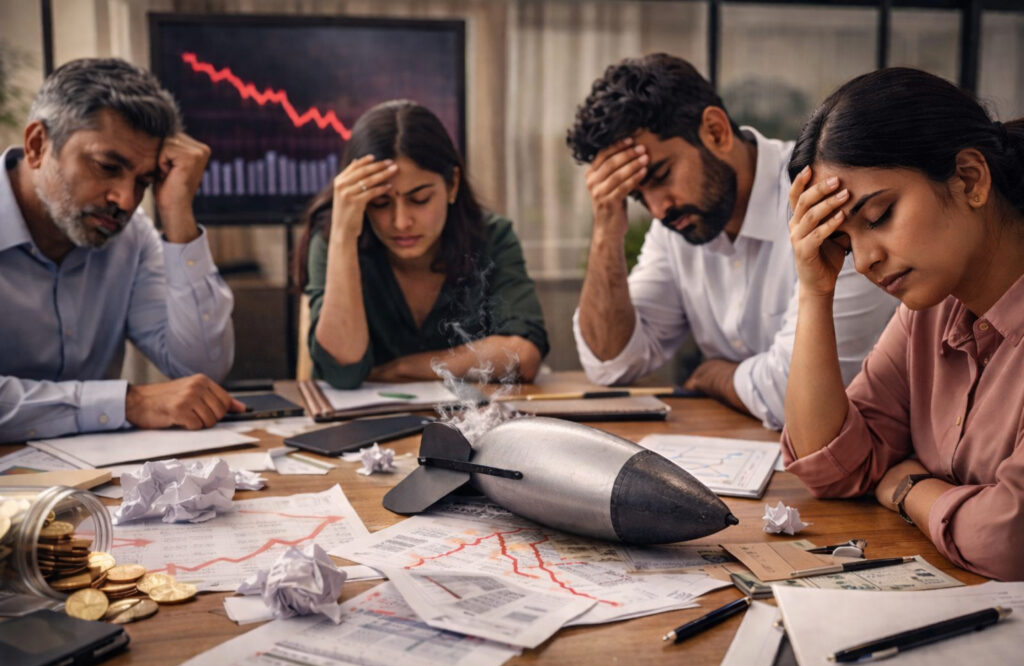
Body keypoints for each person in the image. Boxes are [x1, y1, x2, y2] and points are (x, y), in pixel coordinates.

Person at [566, 53, 897, 429]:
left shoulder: (822, 196)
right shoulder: (676, 225)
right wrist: (606, 233)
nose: (658, 209)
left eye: (661, 175)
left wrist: (714, 376)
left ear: (716, 131)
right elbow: (611, 363)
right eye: (638, 196)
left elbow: (795, 398)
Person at [783, 67, 1024, 581]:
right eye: (844, 242)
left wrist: (909, 488)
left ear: (970, 179)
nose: (864, 260)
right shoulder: (928, 311)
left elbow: (1008, 539)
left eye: (879, 216)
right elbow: (832, 467)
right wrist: (814, 292)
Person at [0, 58, 242, 443]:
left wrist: (178, 213)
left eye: (144, 181)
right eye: (107, 167)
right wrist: (127, 403)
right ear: (37, 146)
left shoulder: (131, 237)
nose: (127, 201)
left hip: (96, 477)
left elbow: (202, 370)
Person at [297, 100, 548, 389]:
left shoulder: (492, 237)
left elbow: (523, 355)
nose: (401, 222)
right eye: (380, 203)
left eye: (420, 199)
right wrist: (343, 234)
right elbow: (344, 372)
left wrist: (401, 369)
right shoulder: (332, 240)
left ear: (452, 185)